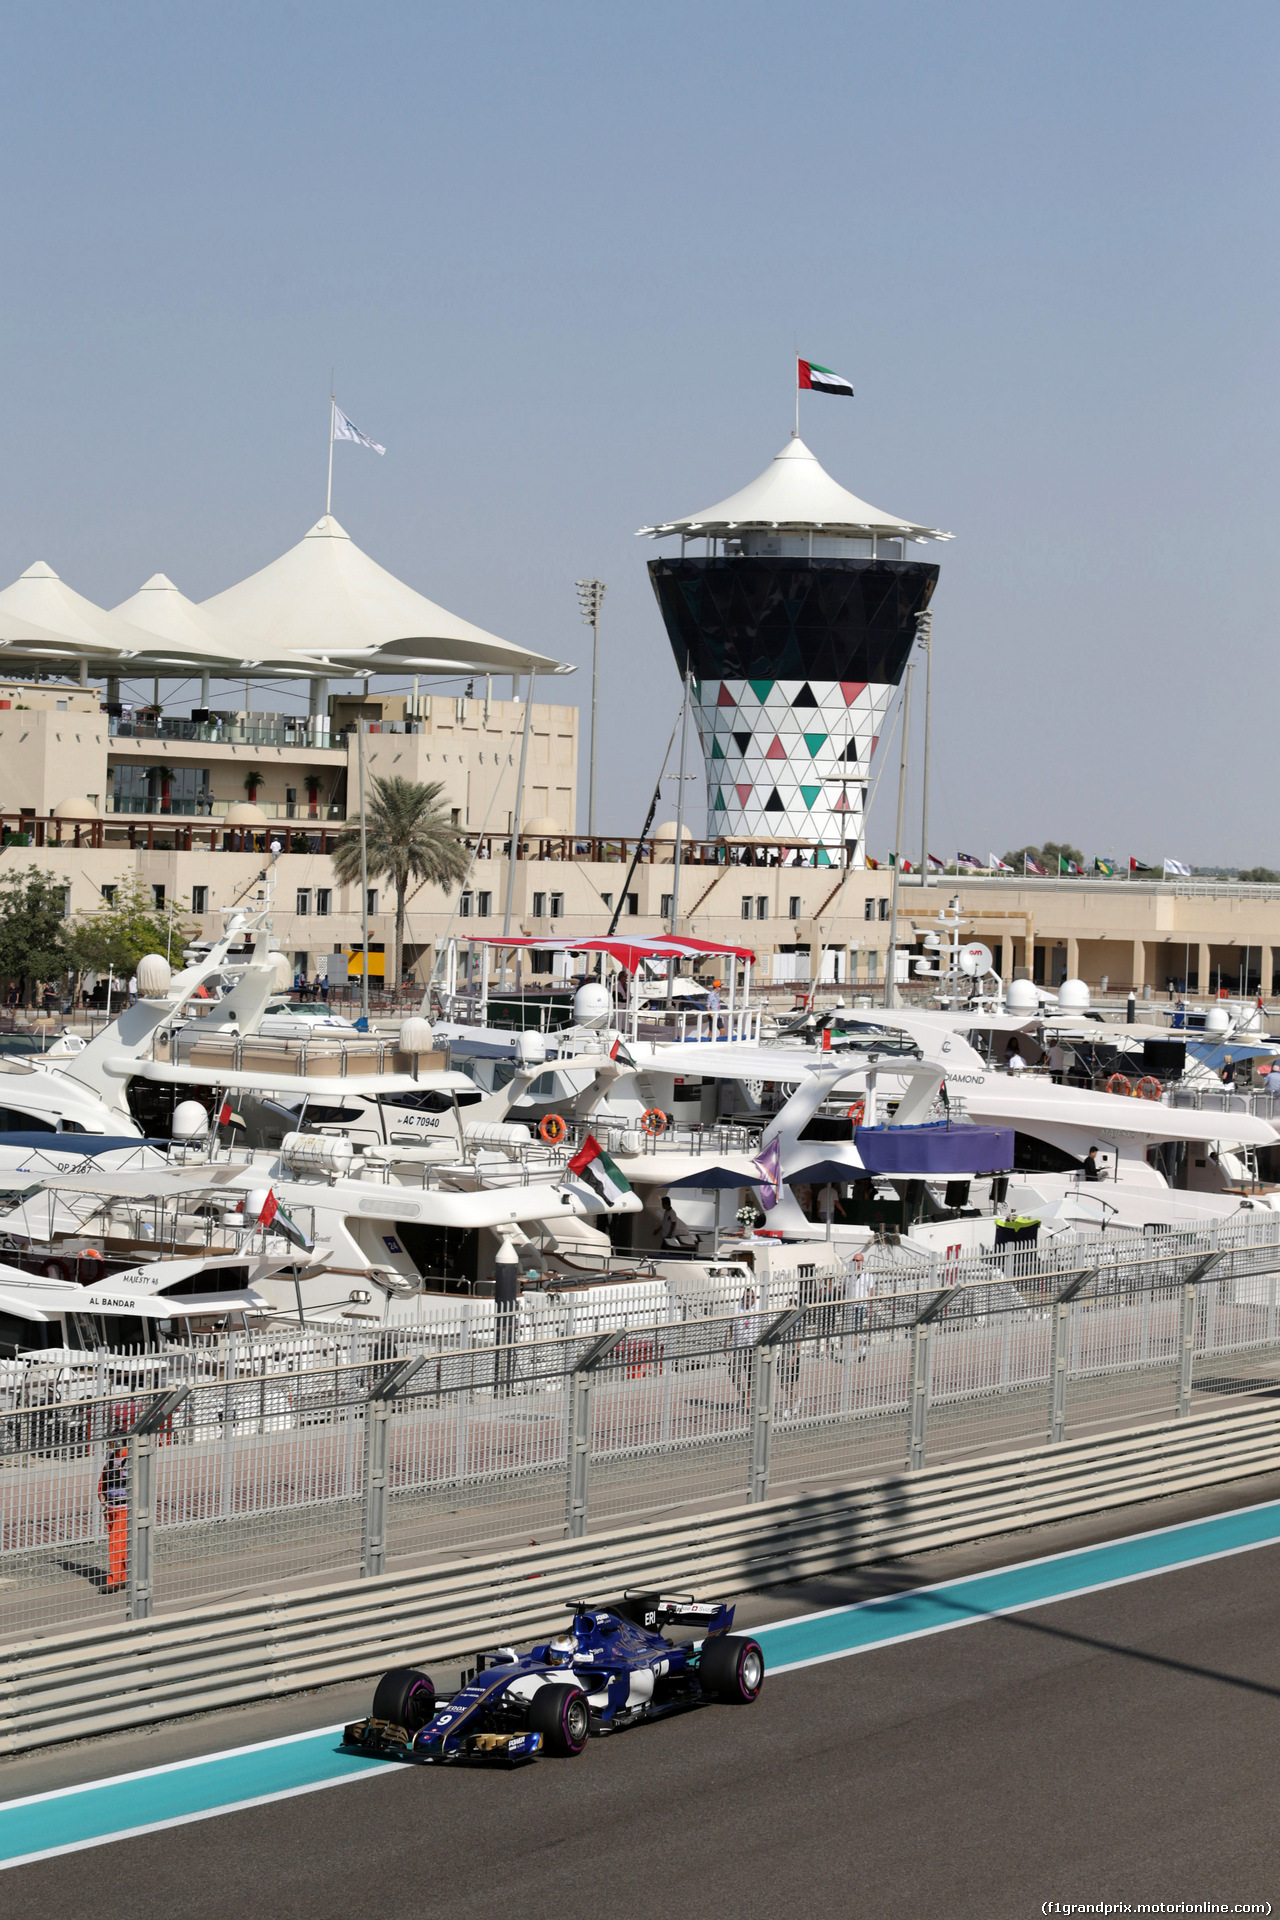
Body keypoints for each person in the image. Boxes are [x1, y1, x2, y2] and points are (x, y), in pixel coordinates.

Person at [99, 1437, 129, 1593]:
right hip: (111, 1507)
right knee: (121, 1542)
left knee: (114, 1542)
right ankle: (123, 1577)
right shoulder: (111, 1458)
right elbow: (104, 1476)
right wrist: (101, 1493)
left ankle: (113, 1580)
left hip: (124, 1508)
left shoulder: (130, 1458)